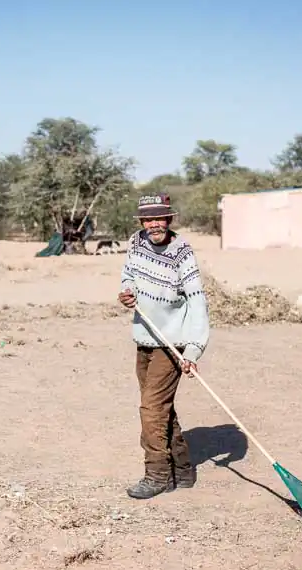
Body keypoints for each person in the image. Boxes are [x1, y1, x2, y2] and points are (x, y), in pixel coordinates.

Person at [117, 192, 210, 499]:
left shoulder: (182, 251)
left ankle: (156, 474)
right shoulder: (135, 242)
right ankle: (183, 470)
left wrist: (194, 349)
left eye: (159, 218)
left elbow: (197, 302)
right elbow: (128, 276)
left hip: (172, 343)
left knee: (151, 408)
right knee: (160, 408)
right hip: (144, 336)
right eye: (148, 219)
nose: (154, 224)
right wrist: (127, 292)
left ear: (169, 220)